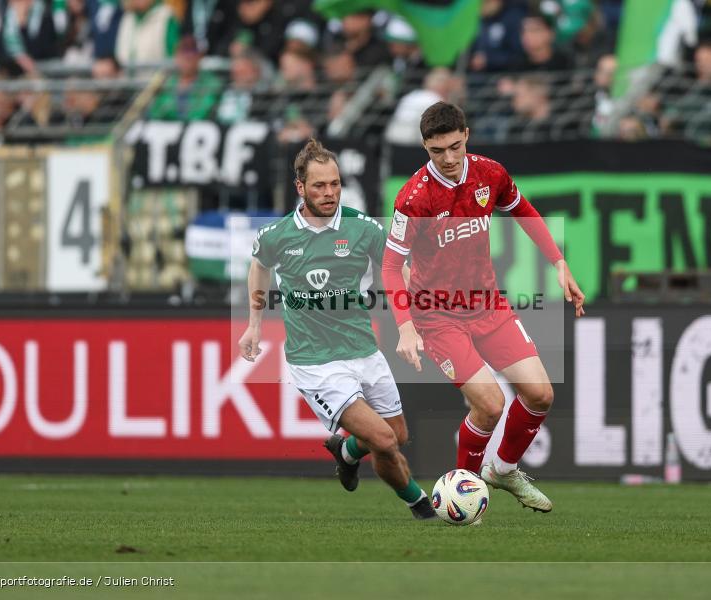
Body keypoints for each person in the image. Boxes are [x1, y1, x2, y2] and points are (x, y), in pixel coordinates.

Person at [381, 102, 585, 513]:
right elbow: (390, 265)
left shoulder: (490, 173)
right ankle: (464, 496)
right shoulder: (414, 198)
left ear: (467, 135)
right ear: (425, 147)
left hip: (488, 305)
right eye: (438, 151)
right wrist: (405, 326)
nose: (450, 159)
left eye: (455, 147)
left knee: (540, 394)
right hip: (437, 316)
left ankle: (503, 470)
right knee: (491, 405)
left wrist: (559, 262)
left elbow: (522, 211)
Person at [239, 139, 436, 521]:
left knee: (398, 434)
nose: (329, 193)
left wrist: (417, 316)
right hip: (315, 363)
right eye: (319, 186)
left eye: (334, 184)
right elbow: (259, 268)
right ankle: (423, 507)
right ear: (301, 188)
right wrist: (254, 325)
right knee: (382, 440)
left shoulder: (363, 228)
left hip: (364, 350)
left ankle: (346, 452)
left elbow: (397, 271)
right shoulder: (277, 237)